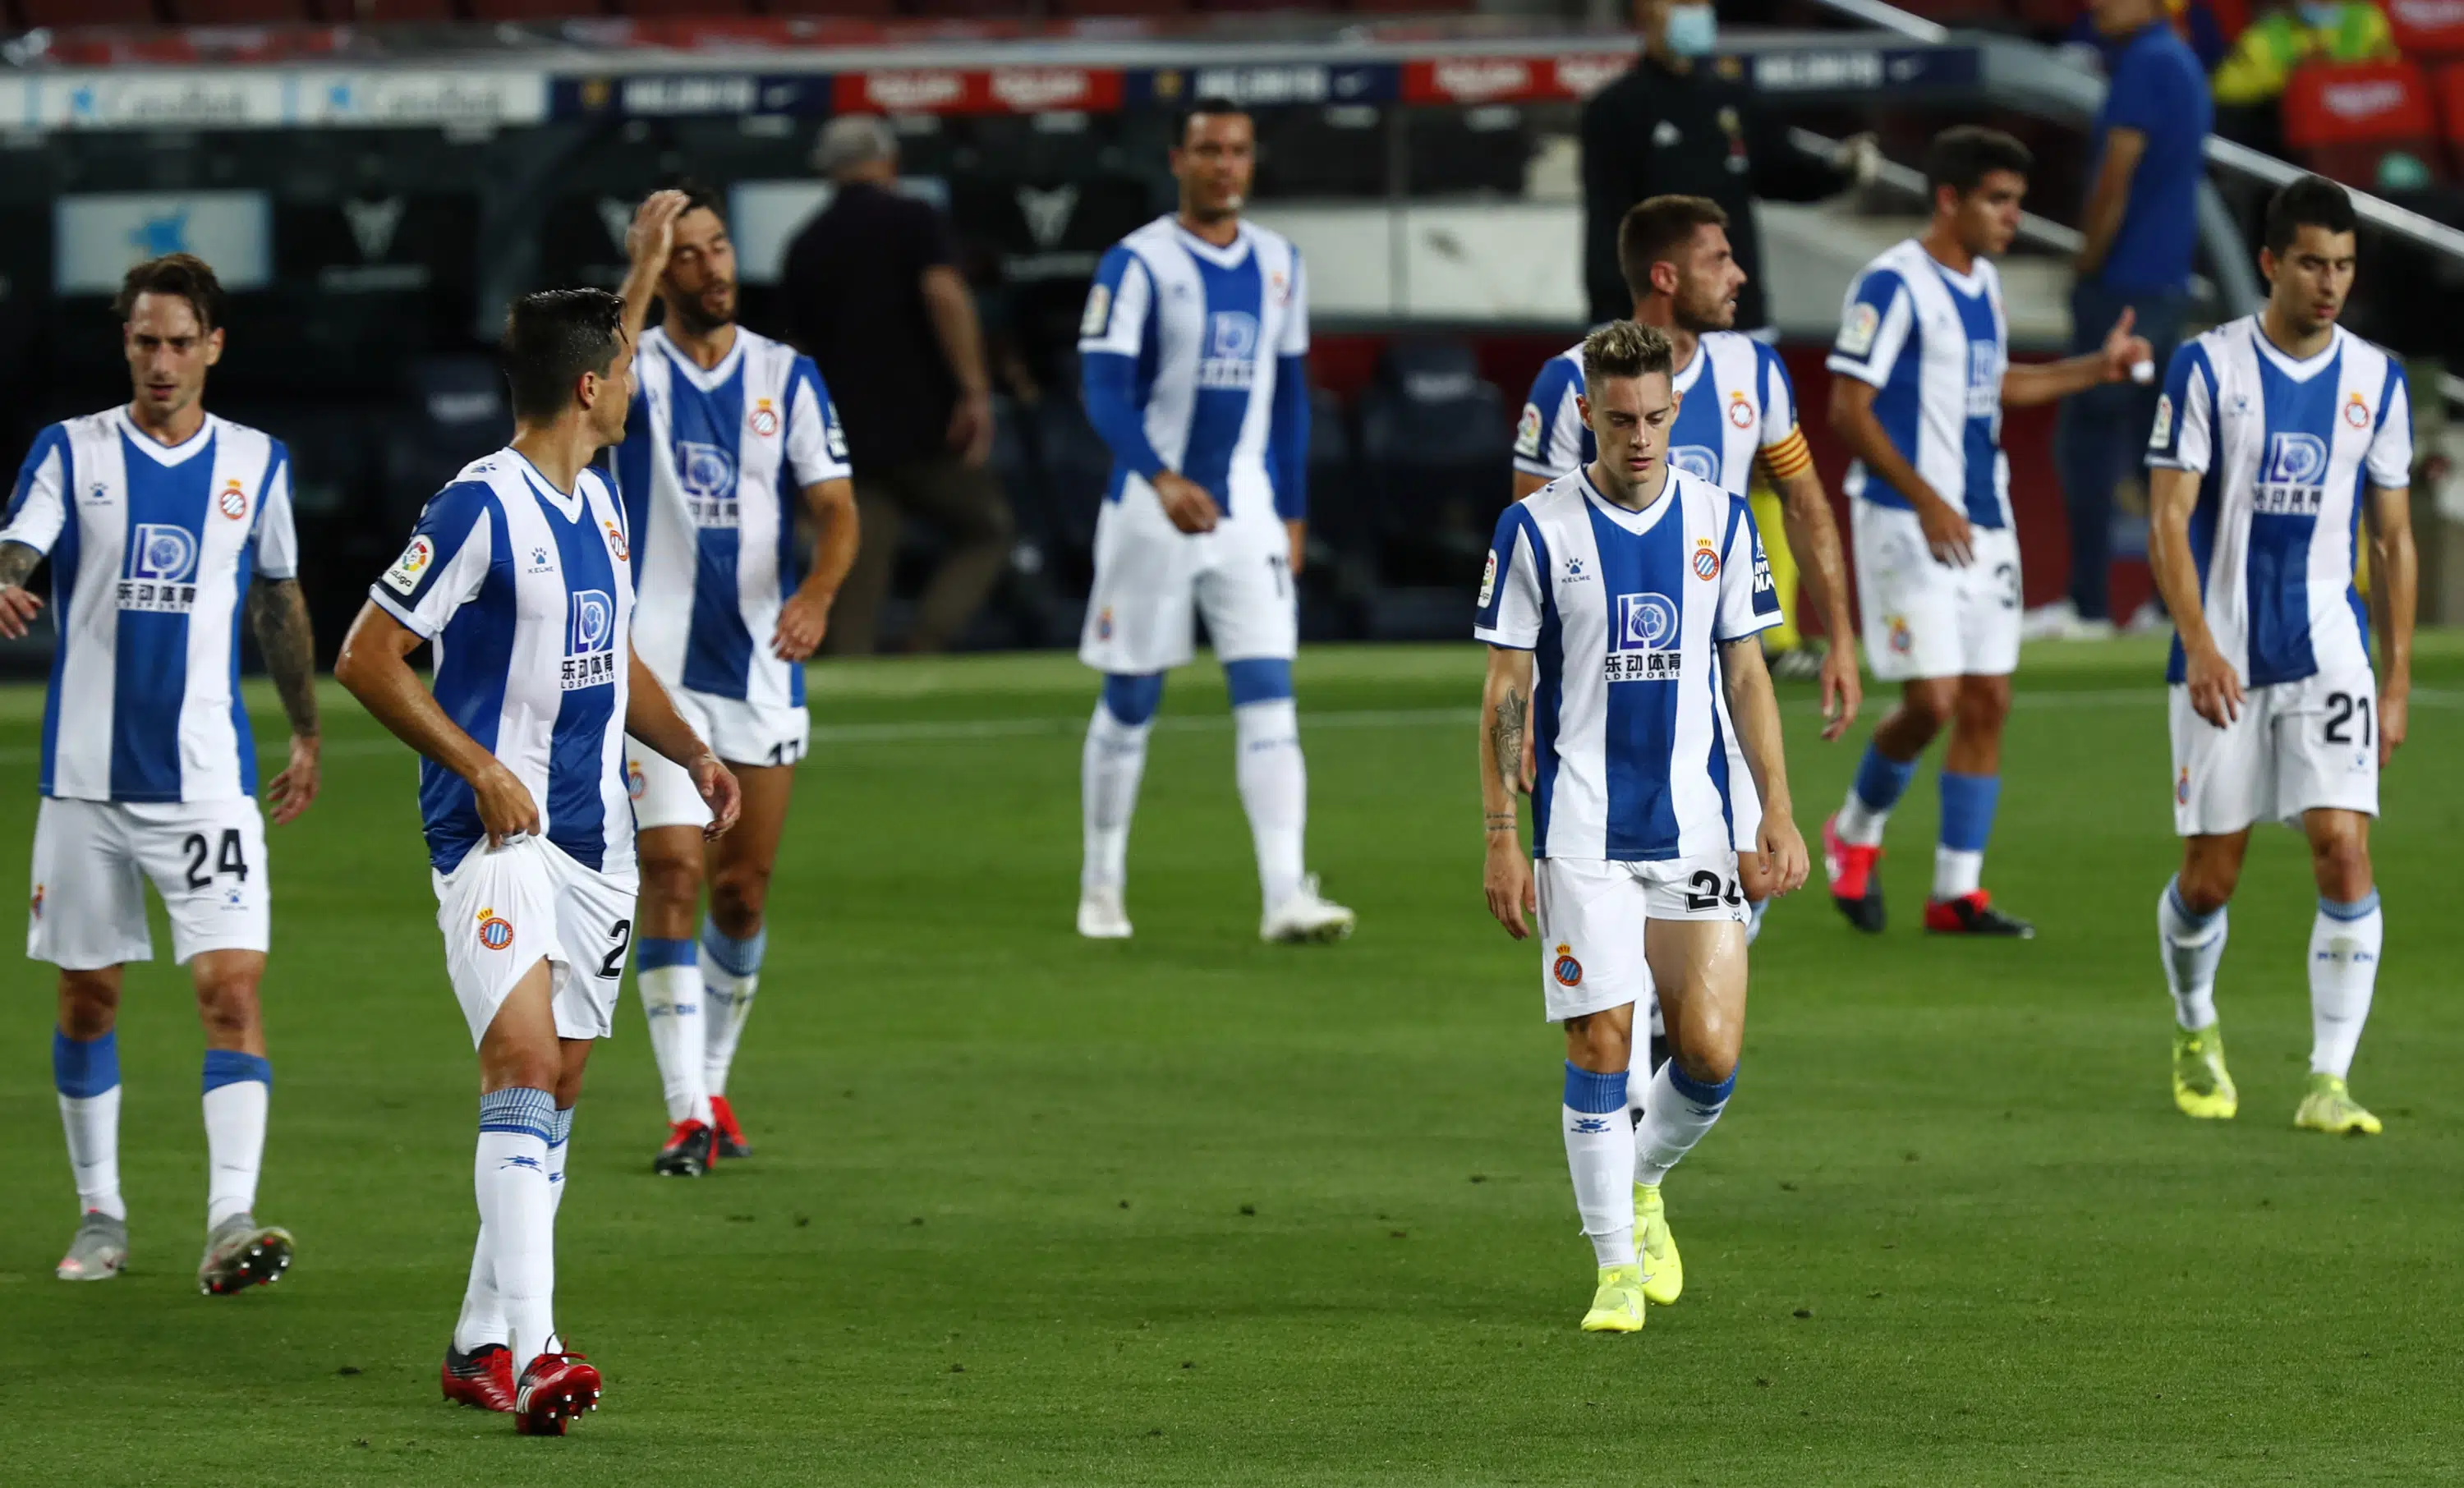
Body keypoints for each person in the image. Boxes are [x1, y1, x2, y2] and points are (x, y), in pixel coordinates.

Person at [333, 288, 742, 1434]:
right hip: (494, 837)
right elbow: (369, 656)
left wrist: (694, 752)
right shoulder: (479, 506)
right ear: (590, 386)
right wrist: (478, 767)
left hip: (595, 846)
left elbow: (612, 666)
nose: (634, 385)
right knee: (517, 1062)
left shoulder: (600, 504)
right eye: (625, 367)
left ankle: (479, 1341)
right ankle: (542, 1349)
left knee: (555, 1089)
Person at [1476, 319, 1807, 1332]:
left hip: (1698, 829)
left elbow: (1747, 673)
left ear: (1674, 409)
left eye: (1657, 416)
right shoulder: (1535, 529)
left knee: (1706, 1056)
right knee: (1602, 1039)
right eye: (1619, 419)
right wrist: (1499, 833)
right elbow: (1504, 691)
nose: (1640, 436)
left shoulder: (1720, 518)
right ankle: (1615, 1270)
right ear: (1586, 413)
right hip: (1579, 830)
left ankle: (1642, 1180)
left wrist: (1780, 814)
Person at [0, 254, 320, 1295]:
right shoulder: (72, 451)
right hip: (85, 784)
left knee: (231, 992)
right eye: (146, 341)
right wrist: (3, 583)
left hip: (206, 782)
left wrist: (307, 730)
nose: (163, 360)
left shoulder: (256, 464)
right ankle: (102, 1213)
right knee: (88, 1000)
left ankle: (232, 1217)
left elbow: (276, 597)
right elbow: (18, 550)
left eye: (182, 341)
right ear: (126, 345)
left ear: (214, 346)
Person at [1820, 126, 2152, 939]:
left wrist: (2091, 369)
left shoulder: (1987, 285)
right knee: (1931, 700)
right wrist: (1928, 498)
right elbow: (1846, 410)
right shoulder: (1891, 284)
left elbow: (1994, 385)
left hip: (1985, 518)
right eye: (1998, 201)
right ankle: (1854, 830)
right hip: (1906, 520)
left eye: (2016, 203)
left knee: (1989, 700)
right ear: (1949, 199)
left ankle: (1956, 892)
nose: (2011, 218)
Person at [1514, 192, 1861, 960]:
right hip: (1601, 695)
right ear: (1665, 276)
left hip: (1722, 680)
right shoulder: (1569, 384)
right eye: (1719, 260)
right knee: (1618, 930)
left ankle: (1667, 1056)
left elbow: (1803, 500)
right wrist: (1531, 702)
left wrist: (1839, 634)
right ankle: (1633, 1057)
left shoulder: (1754, 371)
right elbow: (1526, 553)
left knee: (1752, 887)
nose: (1738, 276)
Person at [2145, 176, 2413, 1135]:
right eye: (2311, 263)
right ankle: (2193, 1024)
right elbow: (2168, 519)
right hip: (2220, 659)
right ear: (2270, 263)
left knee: (2344, 848)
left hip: (2327, 650)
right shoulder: (2207, 369)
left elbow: (2391, 540)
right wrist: (2201, 642)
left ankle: (2329, 1079)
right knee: (2211, 878)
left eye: (2343, 264)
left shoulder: (2375, 381)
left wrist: (2396, 679)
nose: (2329, 282)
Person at [609, 185, 859, 1178]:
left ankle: (711, 1085)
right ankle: (682, 1110)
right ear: (660, 273)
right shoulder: (634, 375)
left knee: (743, 893)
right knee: (671, 871)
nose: (711, 269)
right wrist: (635, 262)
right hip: (654, 670)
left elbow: (836, 507)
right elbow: (589, 377)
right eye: (686, 256)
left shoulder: (788, 378)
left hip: (760, 668)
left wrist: (820, 594)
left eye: (717, 249)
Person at [1071, 98, 1353, 945]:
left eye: (1237, 150)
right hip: (1149, 514)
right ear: (1178, 160)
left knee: (1269, 694)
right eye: (1208, 150)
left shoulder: (1280, 264)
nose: (1224, 164)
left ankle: (1283, 896)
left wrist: (1293, 511)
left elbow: (1292, 396)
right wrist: (1157, 476)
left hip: (1248, 514)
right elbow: (1102, 390)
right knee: (1131, 698)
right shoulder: (1136, 264)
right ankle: (1102, 882)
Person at [1580, 0, 1878, 673]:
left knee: (1772, 476)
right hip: (1649, 331)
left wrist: (1837, 172)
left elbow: (1773, 170)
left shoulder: (1730, 97)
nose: (1694, 13)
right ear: (1645, 14)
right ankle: (1640, 626)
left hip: (1740, 321)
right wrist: (1609, 320)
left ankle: (1773, 637)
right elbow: (1606, 218)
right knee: (1649, 470)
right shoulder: (1616, 109)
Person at [784, 113, 1011, 656]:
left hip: (847, 435)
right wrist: (974, 390)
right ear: (888, 161)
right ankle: (925, 640)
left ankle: (858, 680)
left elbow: (794, 353)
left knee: (858, 565)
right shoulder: (914, 218)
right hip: (925, 425)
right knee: (989, 529)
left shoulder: (807, 242)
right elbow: (944, 293)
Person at [2037, 0, 2213, 641]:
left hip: (2124, 286)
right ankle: (2172, 604)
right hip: (2162, 281)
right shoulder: (2180, 61)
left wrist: (2087, 259)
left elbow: (2116, 176)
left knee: (2089, 440)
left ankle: (2087, 605)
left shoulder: (2144, 64)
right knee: (2155, 447)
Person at [2211, 0, 2397, 108]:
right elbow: (2225, 91)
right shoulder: (2265, 37)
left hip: (2362, 127)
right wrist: (2292, 78)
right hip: (2294, 142)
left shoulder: (2366, 18)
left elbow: (2394, 76)